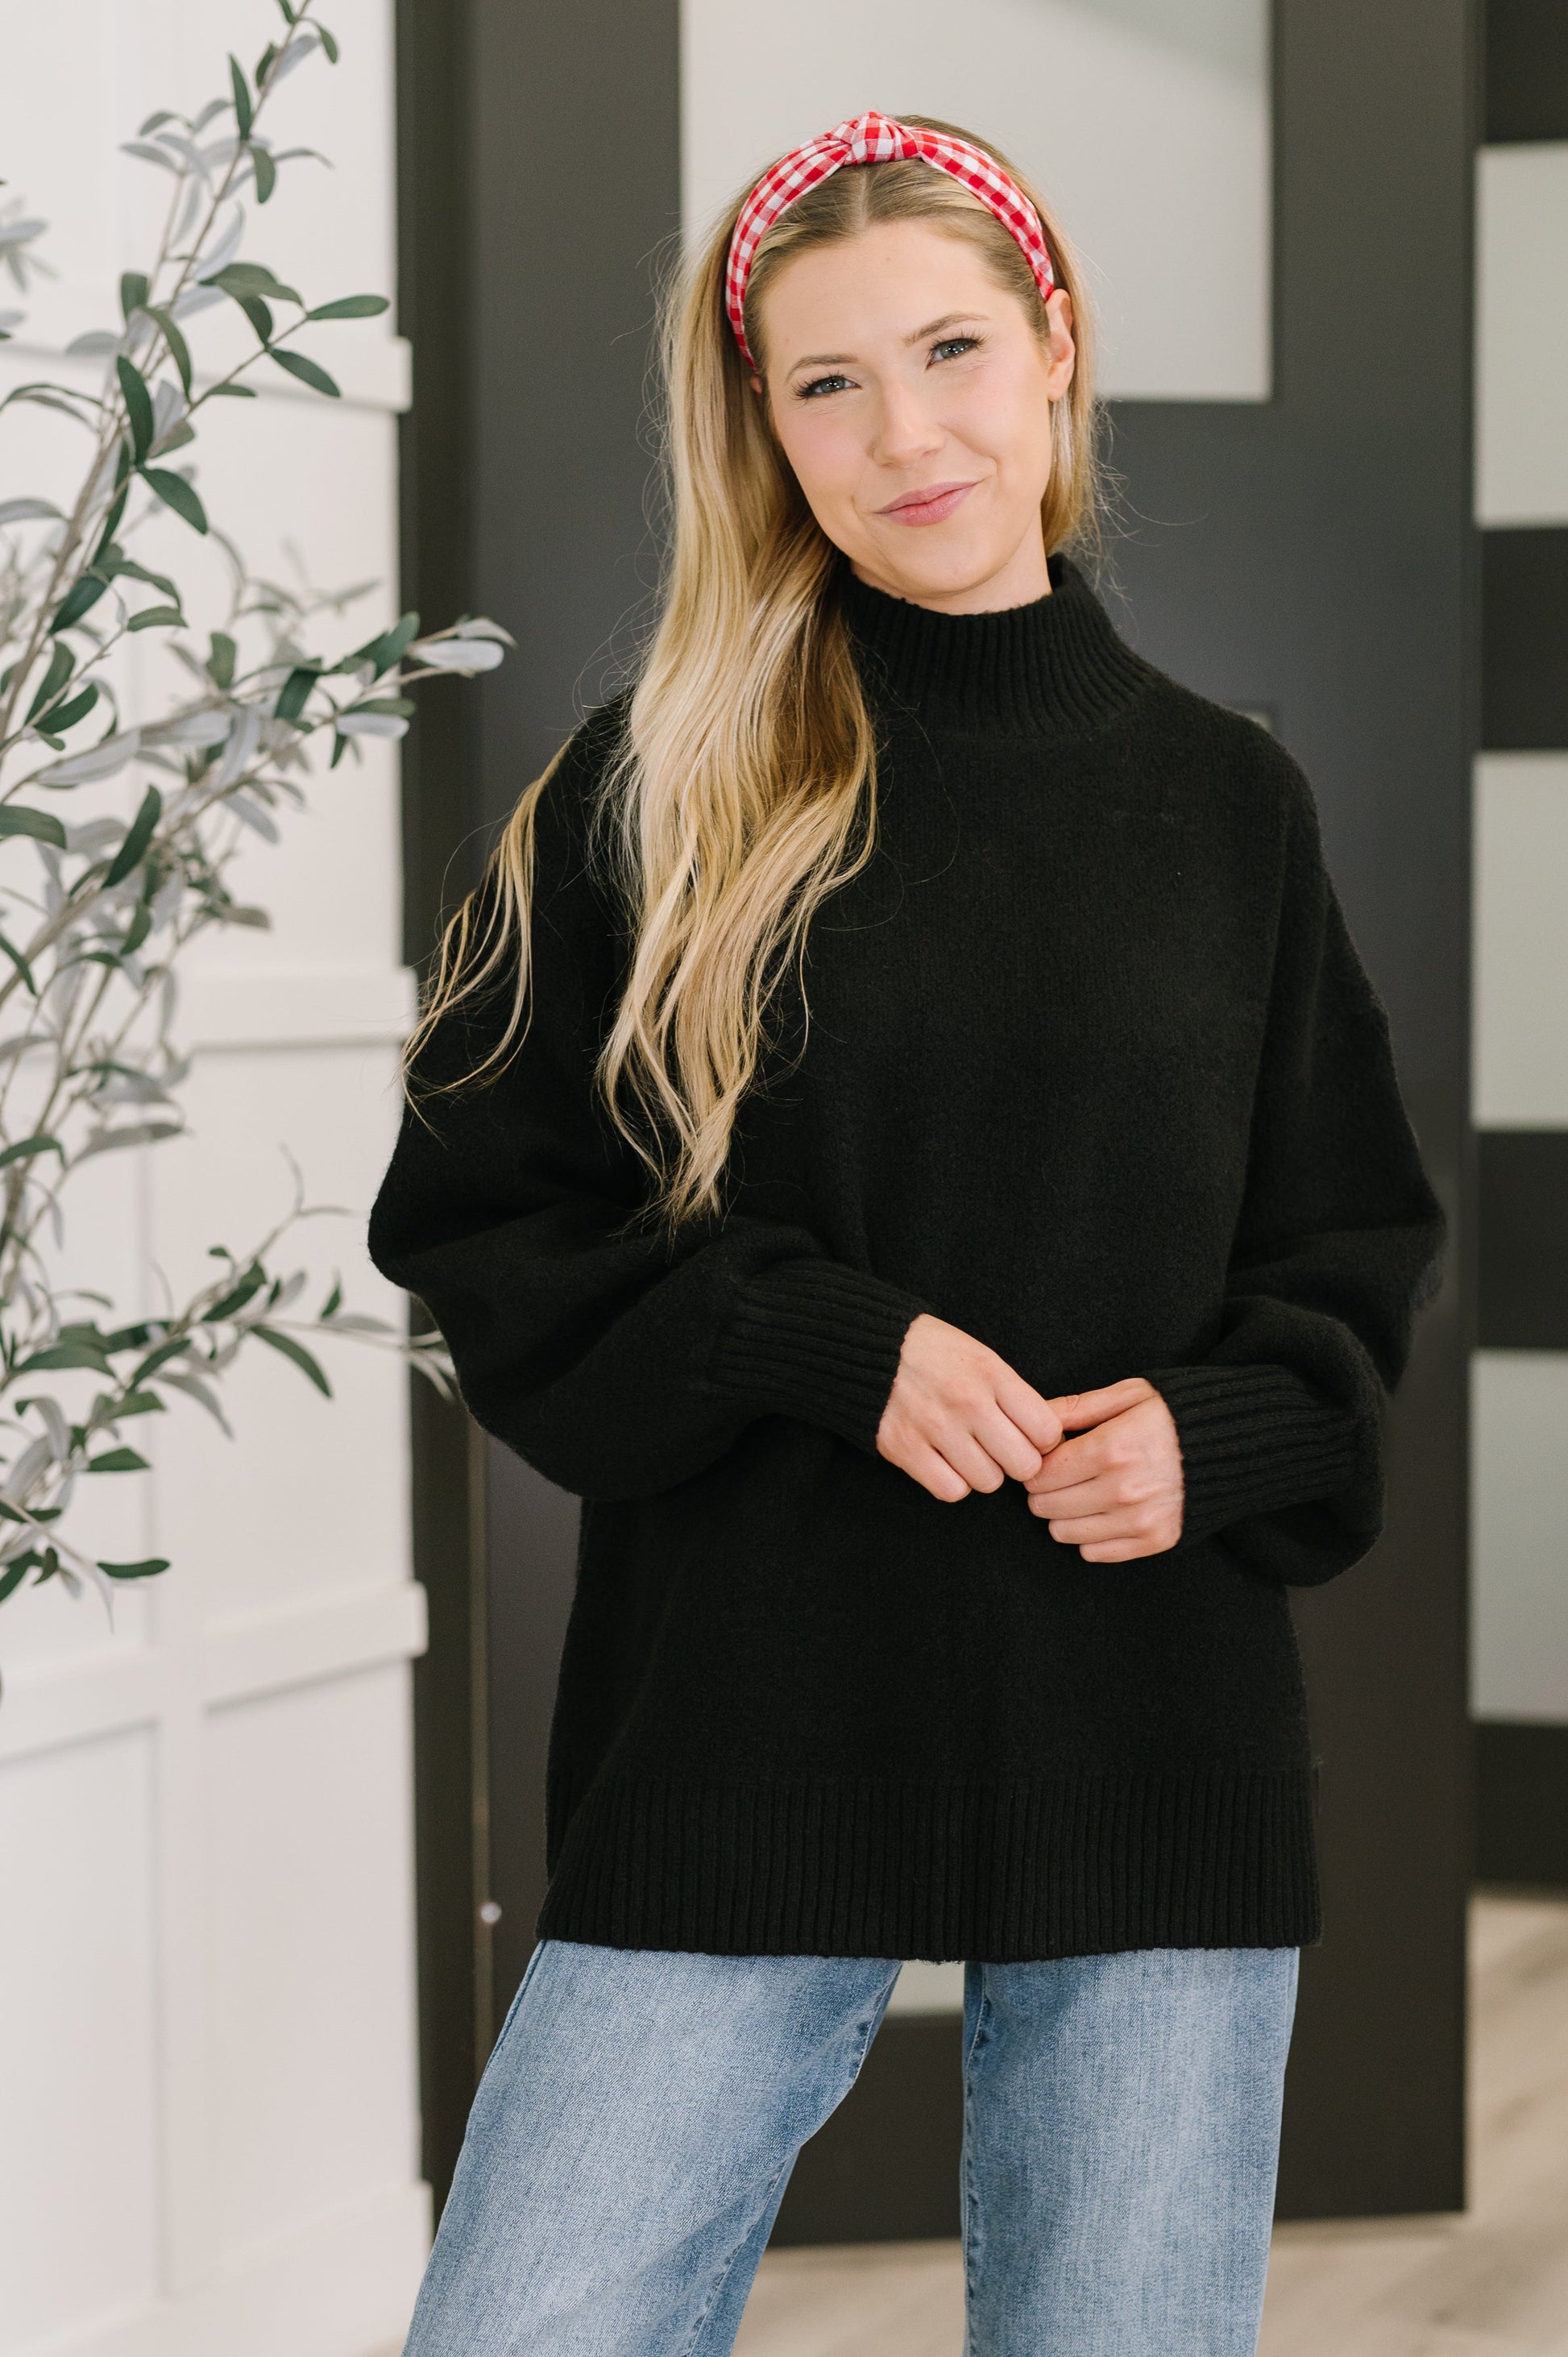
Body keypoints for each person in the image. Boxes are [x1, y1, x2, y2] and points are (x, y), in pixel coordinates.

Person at [369, 110, 1446, 2357]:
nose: (904, 434)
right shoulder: (655, 783)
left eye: (950, 350)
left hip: (1149, 1733)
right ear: (761, 430)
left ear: (1054, 349)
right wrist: (822, 1343)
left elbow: (1348, 1246)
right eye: (827, 383)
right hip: (744, 1711)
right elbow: (480, 1216)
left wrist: (1221, 1433)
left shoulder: (1226, 801)